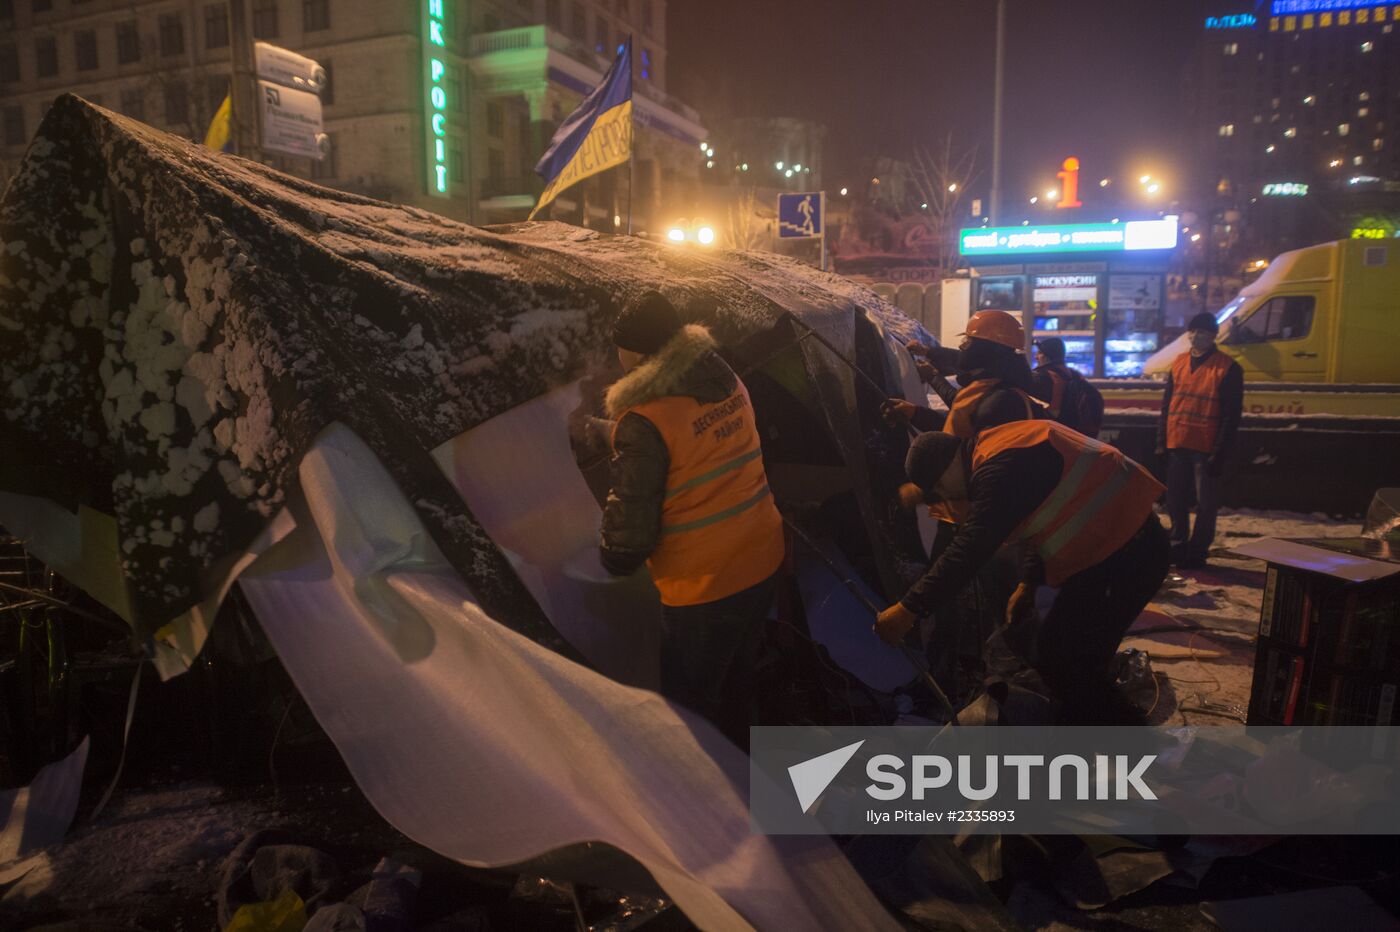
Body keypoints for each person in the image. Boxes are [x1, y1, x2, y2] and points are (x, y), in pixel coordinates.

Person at [873, 423, 1168, 724]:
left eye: (939, 490)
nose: (946, 498)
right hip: (1113, 547)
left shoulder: (996, 472)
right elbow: (1044, 513)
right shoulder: (995, 447)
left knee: (1071, 662)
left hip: (1128, 553)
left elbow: (970, 548)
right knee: (1062, 655)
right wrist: (1028, 582)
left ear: (945, 471)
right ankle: (1086, 736)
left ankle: (1132, 743)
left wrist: (908, 609)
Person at [599, 292, 785, 747]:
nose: (615, 356)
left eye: (619, 347)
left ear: (640, 353)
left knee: (693, 709)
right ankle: (748, 775)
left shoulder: (642, 419)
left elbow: (631, 522)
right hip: (761, 557)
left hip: (705, 583)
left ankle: (709, 804)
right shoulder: (723, 378)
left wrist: (614, 559)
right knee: (737, 684)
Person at [1156, 311, 1244, 569]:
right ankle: (1178, 543)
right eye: (1193, 332)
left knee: (1205, 504)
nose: (1197, 337)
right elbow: (1167, 406)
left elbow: (1231, 415)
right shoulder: (1179, 363)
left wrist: (1219, 453)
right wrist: (1162, 442)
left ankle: (1198, 550)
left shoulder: (1227, 368)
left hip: (1206, 447)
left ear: (1214, 336)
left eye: (1203, 333)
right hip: (1177, 442)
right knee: (1176, 499)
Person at [890, 310, 1042, 438]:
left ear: (984, 351)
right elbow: (962, 425)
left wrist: (933, 378)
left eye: (968, 341)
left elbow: (961, 439)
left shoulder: (1000, 401)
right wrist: (914, 413)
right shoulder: (995, 385)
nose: (961, 346)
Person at [1030, 337, 1104, 438]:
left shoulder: (1042, 377)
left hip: (1052, 436)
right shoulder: (1075, 375)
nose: (1036, 357)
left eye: (1039, 353)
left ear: (1047, 356)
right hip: (1075, 437)